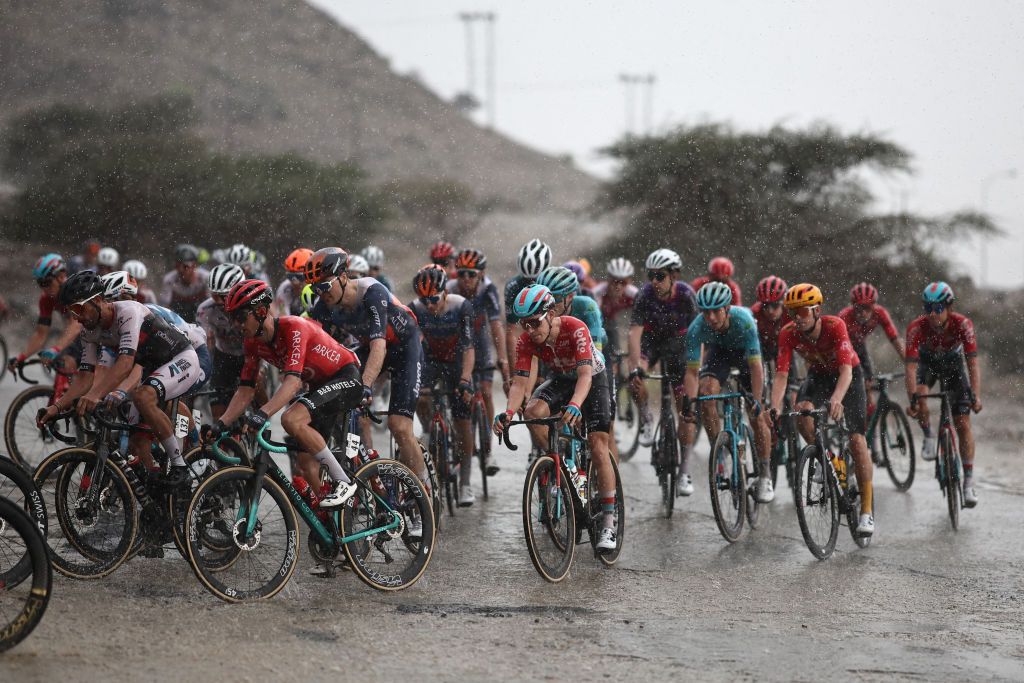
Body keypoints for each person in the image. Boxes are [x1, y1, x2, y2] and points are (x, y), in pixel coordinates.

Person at [206, 280, 364, 553]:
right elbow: (245, 389)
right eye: (232, 318)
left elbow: (292, 382)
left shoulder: (294, 328)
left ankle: (345, 483)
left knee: (291, 419)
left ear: (260, 312)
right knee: (305, 462)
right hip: (320, 387)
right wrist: (222, 423)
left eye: (240, 317)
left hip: (346, 376)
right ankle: (338, 530)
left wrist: (263, 413)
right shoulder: (253, 343)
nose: (236, 325)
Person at [39, 271, 204, 485]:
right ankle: (157, 487)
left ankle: (179, 465)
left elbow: (125, 364)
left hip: (182, 357)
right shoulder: (90, 331)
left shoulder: (128, 312)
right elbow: (85, 377)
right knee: (137, 438)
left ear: (98, 300)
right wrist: (57, 408)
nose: (77, 317)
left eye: (79, 308)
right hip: (151, 367)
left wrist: (95, 396)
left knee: (143, 397)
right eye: (71, 312)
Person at [493, 284, 618, 551]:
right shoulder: (526, 340)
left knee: (598, 444)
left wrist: (574, 405)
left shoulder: (575, 328)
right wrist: (508, 412)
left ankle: (608, 522)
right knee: (534, 412)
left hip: (593, 380)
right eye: (524, 324)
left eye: (534, 322)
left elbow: (585, 376)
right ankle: (561, 462)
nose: (529, 330)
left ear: (550, 314)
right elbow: (518, 383)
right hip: (561, 379)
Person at [305, 248, 428, 504]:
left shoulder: (372, 292)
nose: (322, 292)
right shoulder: (325, 305)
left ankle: (421, 494)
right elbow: (310, 339)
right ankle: (366, 472)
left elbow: (378, 346)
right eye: (316, 288)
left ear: (342, 276)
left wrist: (366, 386)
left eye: (325, 285)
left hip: (404, 348)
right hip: (372, 349)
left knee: (399, 425)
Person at [770, 283, 875, 536]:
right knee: (802, 412)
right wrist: (773, 407)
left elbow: (846, 370)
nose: (797, 319)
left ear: (817, 311)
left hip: (848, 377)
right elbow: (782, 376)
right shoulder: (787, 333)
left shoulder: (834, 325)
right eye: (792, 312)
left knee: (857, 440)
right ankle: (826, 459)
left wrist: (837, 399)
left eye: (803, 312)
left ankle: (867, 511)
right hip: (818, 376)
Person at [683, 282, 773, 502]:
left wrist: (758, 400)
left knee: (756, 415)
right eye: (706, 312)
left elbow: (755, 367)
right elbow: (692, 373)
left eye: (716, 311)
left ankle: (765, 474)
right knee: (706, 394)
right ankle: (719, 449)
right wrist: (690, 401)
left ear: (727, 308)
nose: (711, 318)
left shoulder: (744, 320)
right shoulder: (697, 327)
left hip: (745, 357)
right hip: (719, 354)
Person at [904, 281, 982, 507]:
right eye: (927, 308)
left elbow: (972, 363)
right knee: (921, 399)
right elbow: (910, 367)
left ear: (949, 308)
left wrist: (976, 395)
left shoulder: (963, 324)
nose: (932, 314)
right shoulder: (916, 328)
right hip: (927, 365)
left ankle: (968, 480)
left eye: (937, 309)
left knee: (963, 423)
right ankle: (929, 434)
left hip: (954, 366)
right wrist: (913, 400)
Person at [411, 266, 478, 506]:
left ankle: (466, 483)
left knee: (463, 422)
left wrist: (465, 380)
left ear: (445, 293)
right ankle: (429, 430)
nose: (429, 305)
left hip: (457, 360)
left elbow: (469, 346)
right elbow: (414, 349)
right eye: (423, 300)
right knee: (420, 396)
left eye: (434, 299)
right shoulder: (416, 309)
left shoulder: (460, 306)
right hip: (431, 360)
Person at [627, 249, 698, 449]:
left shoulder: (686, 294)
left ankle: (684, 470)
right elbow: (634, 333)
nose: (655, 281)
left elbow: (696, 333)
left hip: (678, 344)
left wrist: (695, 365)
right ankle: (646, 416)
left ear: (674, 276)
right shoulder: (644, 295)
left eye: (660, 276)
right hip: (652, 342)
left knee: (683, 403)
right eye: (651, 276)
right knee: (635, 380)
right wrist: (635, 368)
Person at [447, 248, 508, 474]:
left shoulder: (488, 289)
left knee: (486, 390)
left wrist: (502, 358)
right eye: (461, 273)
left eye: (471, 274)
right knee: (460, 395)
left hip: (481, 342)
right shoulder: (450, 289)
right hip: (459, 343)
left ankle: (488, 450)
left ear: (481, 274)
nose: (466, 279)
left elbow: (496, 326)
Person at [8, 254, 82, 377]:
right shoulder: (46, 299)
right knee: (64, 368)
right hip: (82, 335)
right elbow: (40, 333)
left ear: (61, 276)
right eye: (40, 283)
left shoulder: (73, 290)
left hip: (99, 333)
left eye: (47, 282)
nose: (44, 288)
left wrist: (56, 348)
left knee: (72, 365)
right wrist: (22, 357)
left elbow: (75, 325)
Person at [838, 283, 905, 414]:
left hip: (859, 347)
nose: (862, 312)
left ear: (874, 306)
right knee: (854, 384)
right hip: (843, 350)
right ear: (853, 306)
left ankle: (868, 424)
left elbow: (895, 340)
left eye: (867, 308)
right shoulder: (844, 317)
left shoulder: (880, 313)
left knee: (867, 386)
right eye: (858, 308)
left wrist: (909, 363)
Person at [196, 264, 248, 420]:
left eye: (223, 296)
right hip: (224, 355)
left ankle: (262, 424)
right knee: (218, 412)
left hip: (251, 355)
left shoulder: (251, 305)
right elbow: (205, 342)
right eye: (214, 295)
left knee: (256, 380)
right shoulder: (205, 309)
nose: (218, 301)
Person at [503, 239, 552, 371]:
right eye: (527, 280)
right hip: (530, 335)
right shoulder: (513, 287)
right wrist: (514, 372)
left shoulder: (553, 282)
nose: (532, 284)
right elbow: (511, 331)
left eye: (536, 280)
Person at [592, 257, 638, 370]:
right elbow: (595, 319)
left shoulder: (634, 294)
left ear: (629, 282)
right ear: (608, 280)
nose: (618, 286)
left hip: (613, 321)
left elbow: (643, 316)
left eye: (623, 282)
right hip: (603, 320)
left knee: (617, 353)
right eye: (615, 282)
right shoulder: (598, 292)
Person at [161, 244, 209, 322]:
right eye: (177, 266)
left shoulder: (206, 278)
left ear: (195, 265)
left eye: (185, 266)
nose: (180, 270)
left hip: (202, 317)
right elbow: (164, 307)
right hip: (177, 319)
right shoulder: (169, 279)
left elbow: (212, 304)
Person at [273, 248, 313, 317]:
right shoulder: (285, 288)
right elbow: (283, 319)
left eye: (300, 277)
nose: (295, 283)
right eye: (290, 277)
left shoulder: (320, 289)